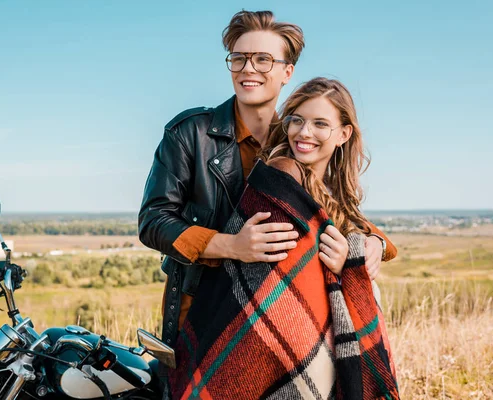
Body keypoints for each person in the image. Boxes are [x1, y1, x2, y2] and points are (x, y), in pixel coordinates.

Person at [138, 8, 396, 372]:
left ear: (287, 72)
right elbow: (153, 221)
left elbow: (334, 208)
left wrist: (375, 243)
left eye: (263, 59)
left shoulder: (298, 140)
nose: (249, 69)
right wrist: (232, 246)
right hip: (198, 312)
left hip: (277, 321)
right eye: (239, 59)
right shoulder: (189, 133)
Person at [168, 77, 399, 399]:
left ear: (344, 134)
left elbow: (356, 229)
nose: (304, 133)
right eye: (297, 120)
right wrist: (341, 266)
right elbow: (281, 275)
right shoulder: (282, 173)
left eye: (320, 124)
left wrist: (372, 244)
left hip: (315, 347)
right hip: (272, 344)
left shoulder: (335, 191)